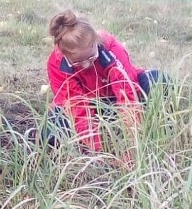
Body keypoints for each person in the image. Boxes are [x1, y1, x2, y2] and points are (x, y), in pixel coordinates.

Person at [45, 10, 165, 155]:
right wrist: (99, 152)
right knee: (55, 119)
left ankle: (158, 131)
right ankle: (74, 155)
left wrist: (132, 147)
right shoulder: (56, 64)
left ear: (96, 41)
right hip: (91, 107)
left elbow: (127, 95)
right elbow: (76, 108)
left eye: (91, 58)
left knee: (158, 80)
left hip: (115, 101)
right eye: (78, 62)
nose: (86, 66)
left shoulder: (110, 47)